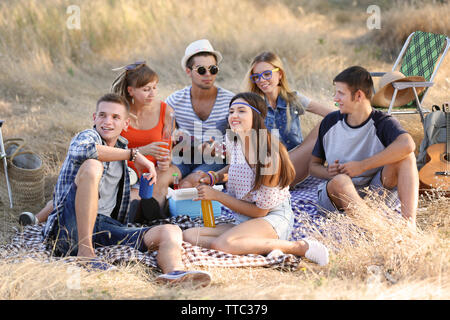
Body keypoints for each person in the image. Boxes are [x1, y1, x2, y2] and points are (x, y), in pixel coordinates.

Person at [42, 93, 211, 286]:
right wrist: (135, 155)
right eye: (103, 115)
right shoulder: (87, 137)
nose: (108, 122)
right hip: (68, 228)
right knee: (92, 166)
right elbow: (86, 151)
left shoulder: (122, 148)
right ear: (94, 118)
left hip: (105, 227)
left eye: (115, 117)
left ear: (126, 124)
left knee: (170, 231)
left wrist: (144, 174)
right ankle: (85, 253)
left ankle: (175, 274)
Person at [19, 62, 179, 225]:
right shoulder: (117, 114)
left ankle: (130, 219)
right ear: (131, 90)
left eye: (155, 87)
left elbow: (168, 145)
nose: (153, 94)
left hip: (146, 172)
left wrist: (166, 160)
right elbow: (102, 147)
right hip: (119, 167)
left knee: (132, 201)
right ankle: (37, 219)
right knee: (87, 190)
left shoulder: (166, 112)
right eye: (146, 89)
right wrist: (141, 151)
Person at [182, 92, 329, 266]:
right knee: (189, 236)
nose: (234, 116)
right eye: (231, 111)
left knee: (221, 244)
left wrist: (217, 196)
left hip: (271, 217)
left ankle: (298, 247)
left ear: (256, 116)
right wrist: (214, 176)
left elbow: (261, 212)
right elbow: (236, 166)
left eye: (241, 111)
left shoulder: (268, 156)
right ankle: (265, 248)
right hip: (244, 217)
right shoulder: (234, 141)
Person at [309, 66, 418, 227]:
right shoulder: (330, 122)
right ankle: (380, 231)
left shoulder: (382, 122)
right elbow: (313, 166)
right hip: (338, 194)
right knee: (341, 180)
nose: (335, 98)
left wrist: (362, 166)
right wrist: (327, 172)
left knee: (406, 156)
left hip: (374, 191)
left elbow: (408, 144)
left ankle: (410, 226)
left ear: (358, 95)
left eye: (340, 93)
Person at [245, 51, 336, 187]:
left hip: (297, 164)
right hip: (273, 172)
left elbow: (331, 114)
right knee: (327, 128)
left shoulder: (293, 99)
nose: (261, 80)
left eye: (267, 74)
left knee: (329, 122)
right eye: (256, 77)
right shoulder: (252, 106)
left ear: (279, 74)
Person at [165, 39, 235, 188]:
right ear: (188, 71)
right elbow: (165, 136)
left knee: (189, 183)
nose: (208, 74)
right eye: (202, 70)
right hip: (182, 158)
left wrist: (219, 149)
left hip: (215, 160)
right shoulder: (174, 101)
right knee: (163, 179)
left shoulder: (231, 101)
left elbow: (239, 140)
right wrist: (176, 141)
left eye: (213, 69)